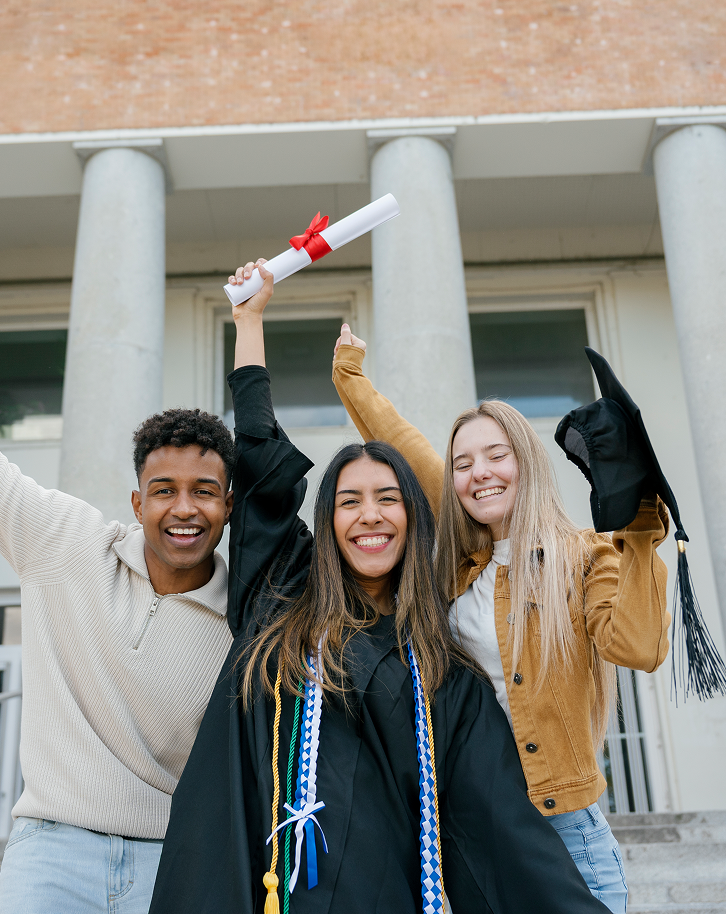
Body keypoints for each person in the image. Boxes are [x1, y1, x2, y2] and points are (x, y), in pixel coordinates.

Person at [148, 259, 614, 914]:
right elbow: (257, 452)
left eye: (389, 498)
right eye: (350, 500)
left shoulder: (444, 673)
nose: (369, 514)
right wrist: (248, 321)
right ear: (328, 521)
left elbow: (504, 831)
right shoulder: (279, 604)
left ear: (414, 519)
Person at [0, 218, 237, 914]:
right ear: (137, 500)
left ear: (228, 503)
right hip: (52, 850)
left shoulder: (245, 616)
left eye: (204, 491)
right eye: (164, 490)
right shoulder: (64, 541)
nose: (184, 508)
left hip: (171, 859)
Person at [331, 324, 672, 914]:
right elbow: (402, 444)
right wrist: (350, 373)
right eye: (462, 463)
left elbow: (639, 647)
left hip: (563, 832)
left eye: (496, 455)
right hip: (475, 821)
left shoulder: (586, 559)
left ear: (526, 462)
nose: (478, 472)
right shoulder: (462, 562)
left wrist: (639, 533)